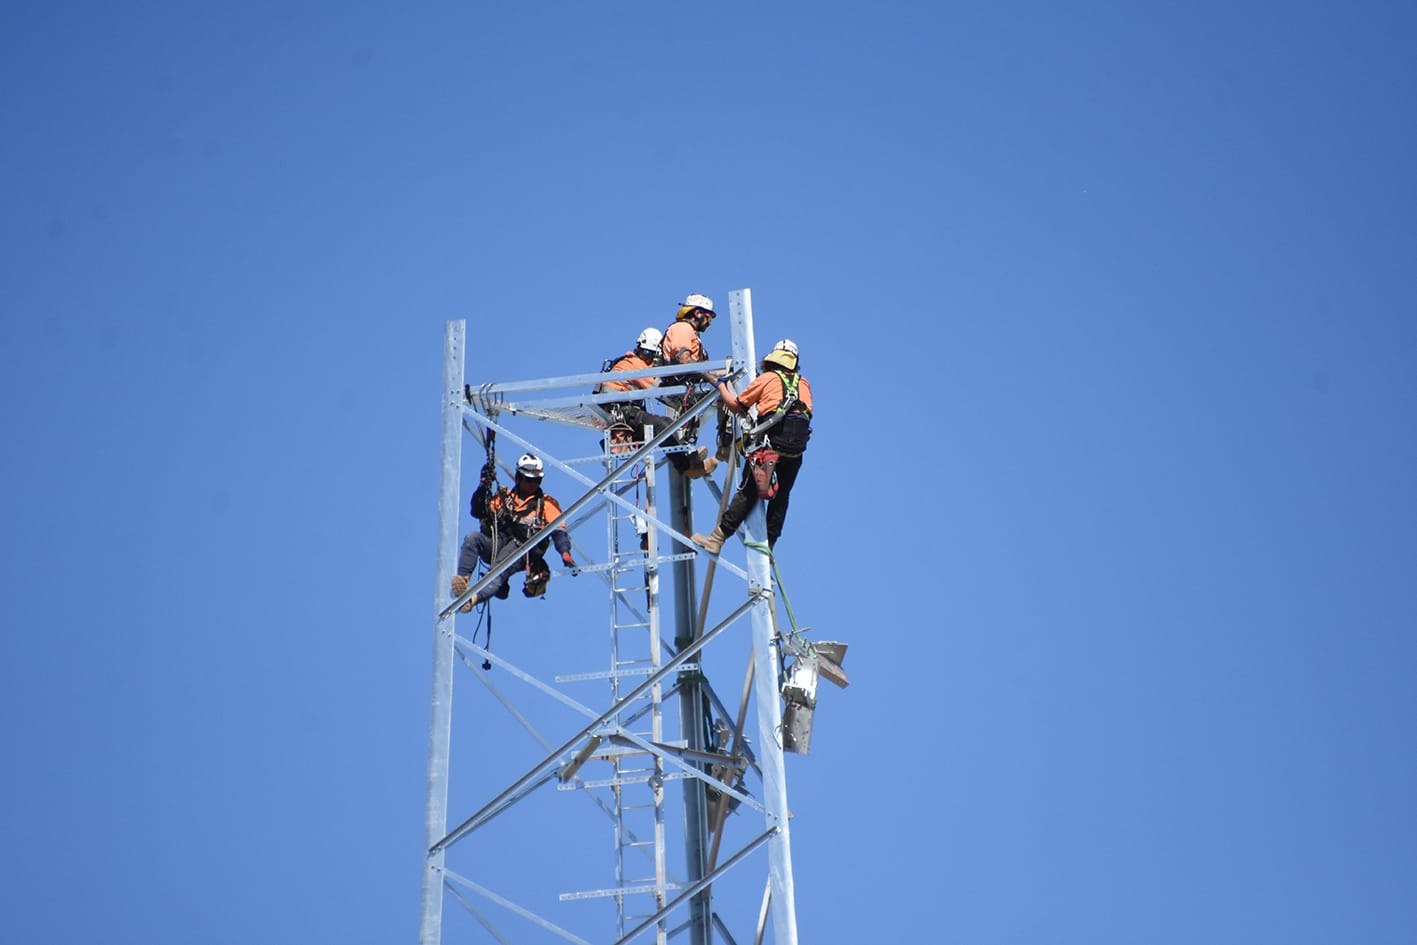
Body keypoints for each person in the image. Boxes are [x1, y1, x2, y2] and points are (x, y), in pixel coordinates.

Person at [691, 340, 813, 554]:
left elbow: (735, 405)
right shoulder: (804, 384)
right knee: (782, 496)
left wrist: (720, 385)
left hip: (771, 446)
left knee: (749, 492)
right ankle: (770, 544)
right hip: (795, 451)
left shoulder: (767, 379)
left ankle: (717, 539)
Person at [451, 453, 577, 610]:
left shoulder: (546, 504)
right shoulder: (505, 499)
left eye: (537, 481)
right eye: (529, 480)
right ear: (519, 478)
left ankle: (472, 600)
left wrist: (565, 553)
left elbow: (559, 532)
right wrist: (483, 486)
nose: (533, 484)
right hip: (499, 543)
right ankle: (462, 582)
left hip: (523, 549)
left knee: (499, 568)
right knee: (472, 538)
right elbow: (477, 511)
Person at [596, 326, 718, 478]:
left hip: (622, 412)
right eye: (645, 352)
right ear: (638, 349)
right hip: (621, 413)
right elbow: (659, 389)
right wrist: (685, 399)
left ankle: (687, 458)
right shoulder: (634, 364)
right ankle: (686, 467)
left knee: (665, 424)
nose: (647, 358)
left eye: (651, 355)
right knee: (662, 426)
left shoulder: (630, 363)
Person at [660, 293, 734, 460]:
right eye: (709, 317)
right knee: (733, 377)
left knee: (728, 382)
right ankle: (726, 441)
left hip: (690, 382)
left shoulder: (691, 333)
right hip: (684, 383)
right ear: (698, 313)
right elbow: (684, 359)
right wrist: (713, 379)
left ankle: (725, 442)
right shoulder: (682, 328)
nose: (709, 323)